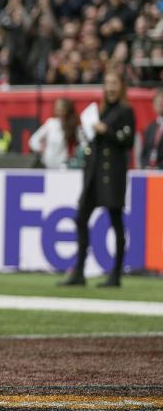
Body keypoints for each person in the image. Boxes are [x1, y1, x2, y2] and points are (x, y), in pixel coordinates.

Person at [60, 71, 134, 288]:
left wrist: (106, 130)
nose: (110, 88)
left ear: (121, 87)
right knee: (81, 218)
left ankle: (116, 275)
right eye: (107, 83)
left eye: (114, 83)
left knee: (116, 221)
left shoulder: (125, 111)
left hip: (112, 175)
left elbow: (127, 140)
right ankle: (79, 272)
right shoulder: (100, 110)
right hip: (94, 175)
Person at [29, 98, 78, 169]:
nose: (58, 109)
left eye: (61, 106)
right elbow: (33, 140)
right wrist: (40, 149)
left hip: (65, 166)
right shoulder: (51, 123)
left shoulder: (74, 126)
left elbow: (80, 145)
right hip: (47, 165)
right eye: (57, 106)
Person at [139, 89, 163, 169]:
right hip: (149, 171)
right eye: (157, 102)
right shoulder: (151, 127)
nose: (160, 104)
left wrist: (159, 167)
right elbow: (144, 151)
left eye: (162, 101)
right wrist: (145, 165)